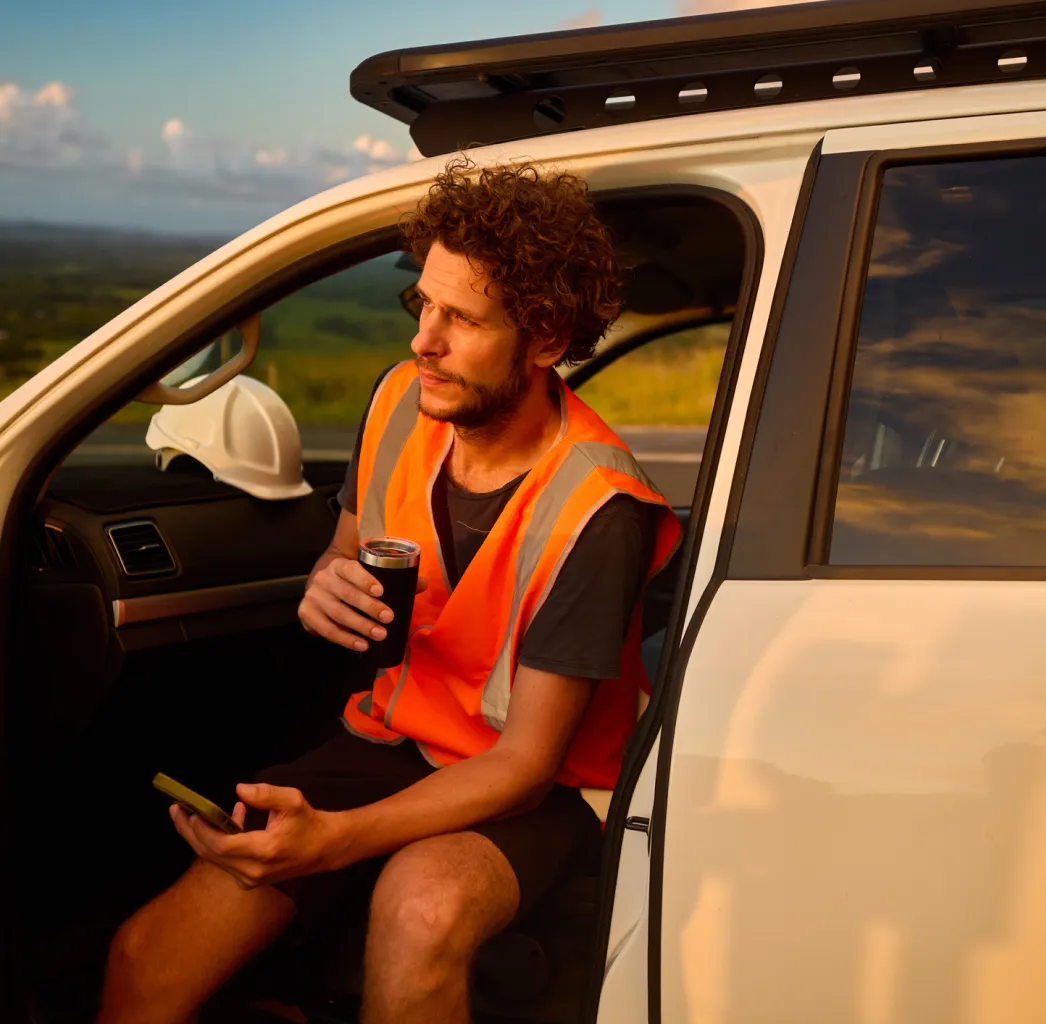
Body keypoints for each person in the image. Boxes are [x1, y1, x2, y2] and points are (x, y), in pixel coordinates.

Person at [98, 157, 681, 1024]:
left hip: (537, 787)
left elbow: (524, 765)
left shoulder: (602, 510)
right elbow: (344, 551)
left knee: (420, 907)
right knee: (148, 957)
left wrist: (330, 843)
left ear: (547, 338)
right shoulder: (403, 402)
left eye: (463, 319)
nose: (423, 342)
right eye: (423, 305)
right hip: (388, 736)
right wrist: (322, 586)